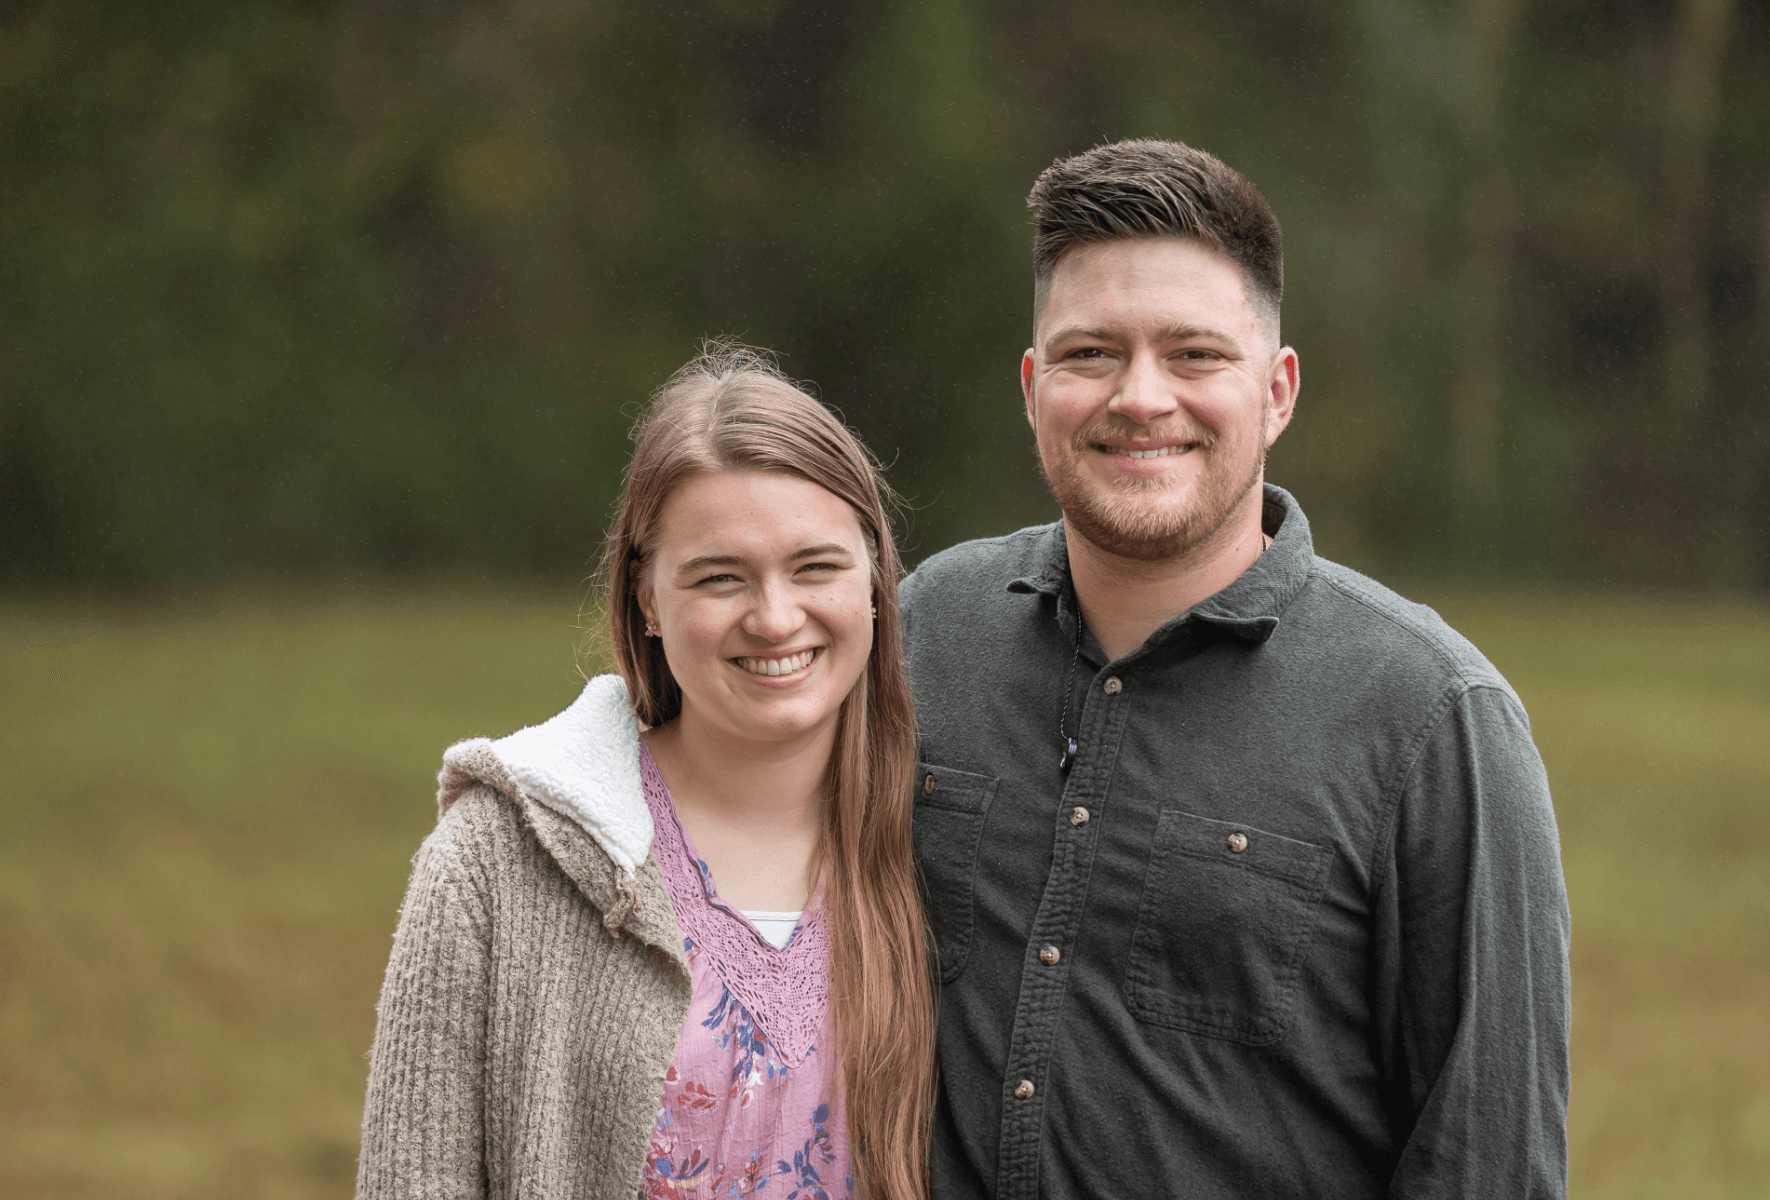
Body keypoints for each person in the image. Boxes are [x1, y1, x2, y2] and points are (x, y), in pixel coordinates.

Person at [899, 140, 1571, 1198]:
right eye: (1088, 354)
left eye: (1193, 355)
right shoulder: (924, 631)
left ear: (1276, 390)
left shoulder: (1432, 720)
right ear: (1032, 388)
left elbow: (1485, 1162)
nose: (1139, 397)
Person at [358, 344, 934, 1200]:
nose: (776, 618)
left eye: (816, 566)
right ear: (647, 597)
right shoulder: (495, 865)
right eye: (720, 577)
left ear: (876, 580)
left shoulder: (948, 846)